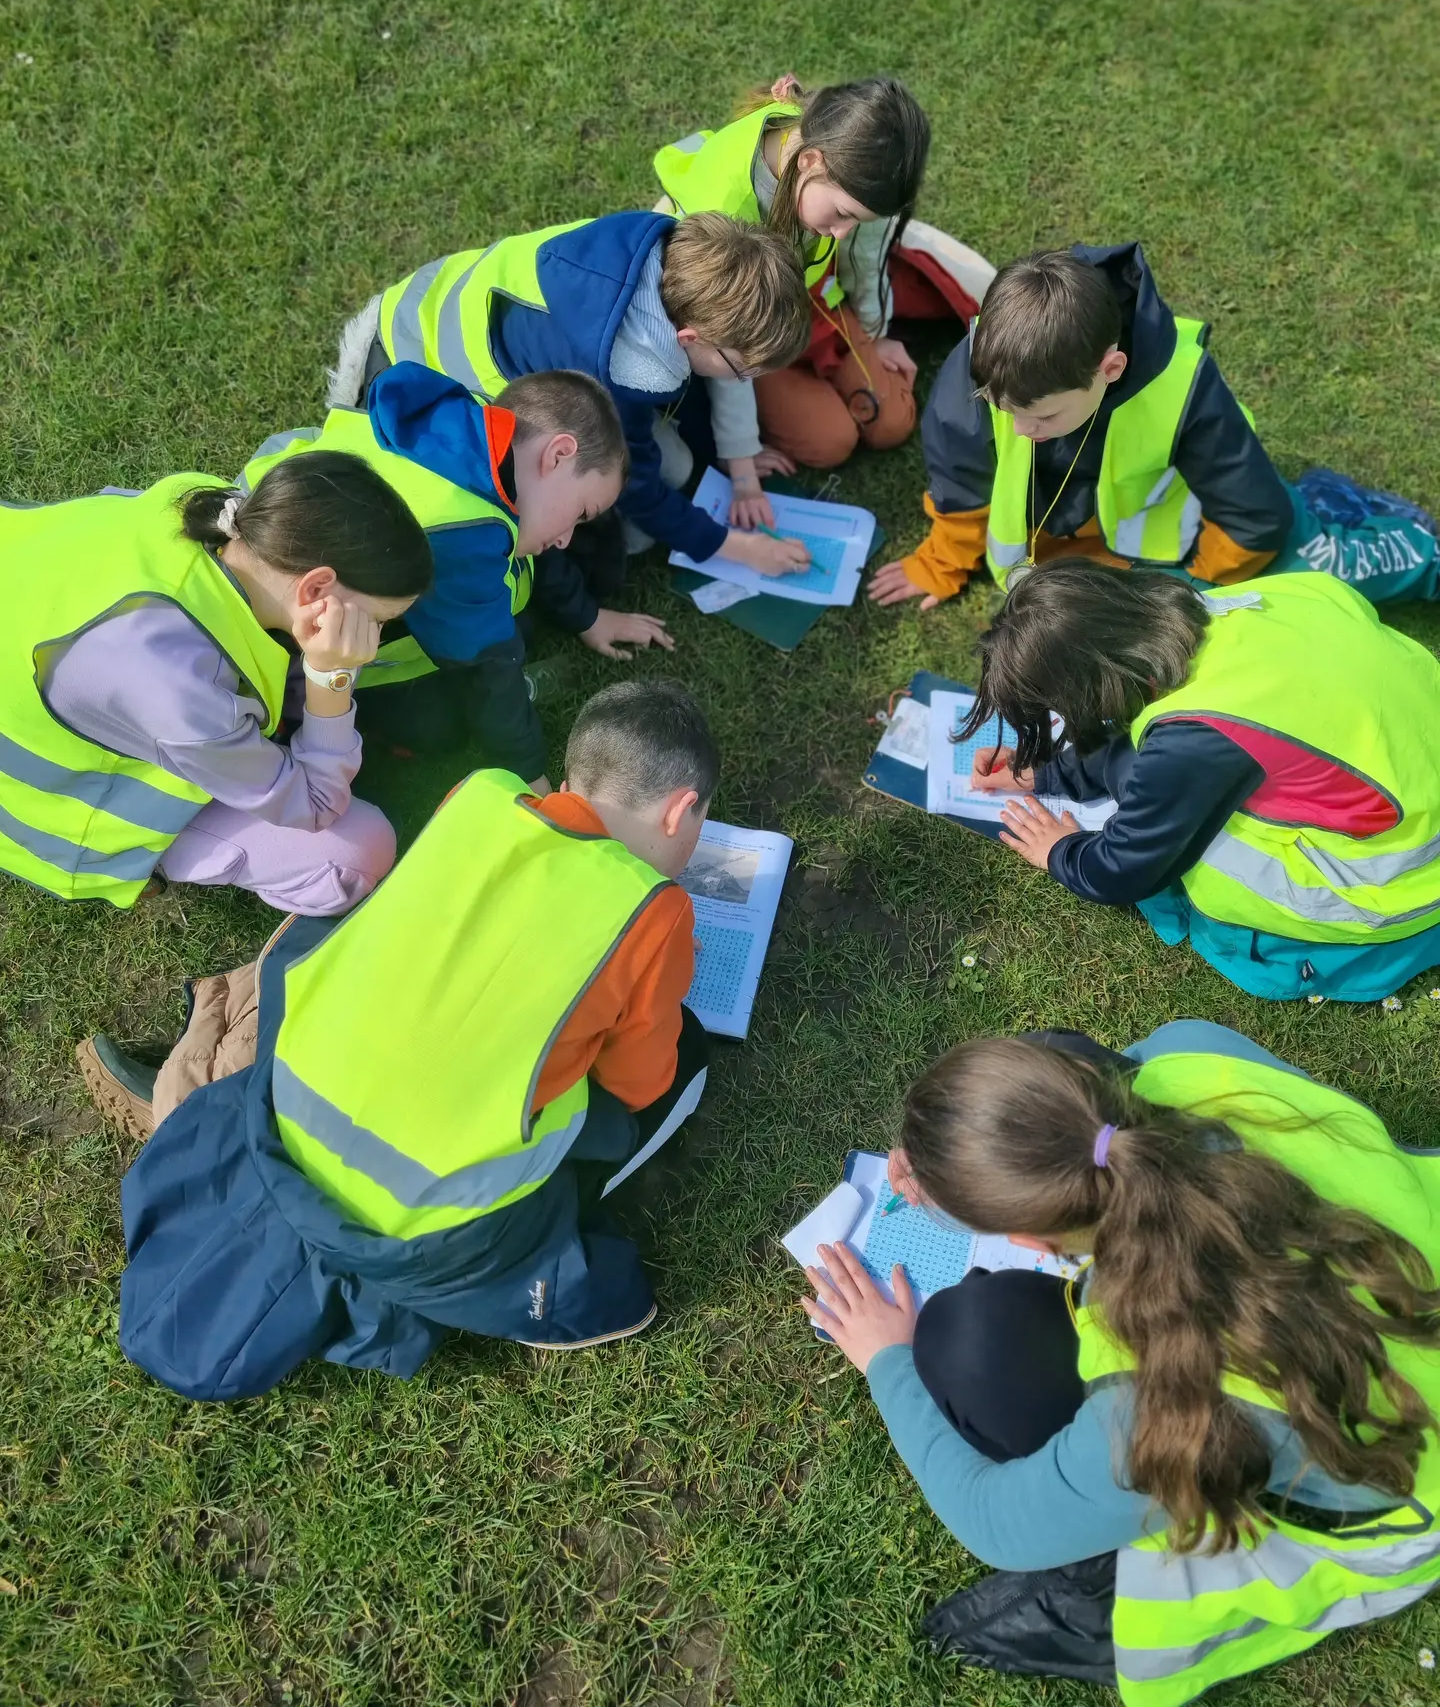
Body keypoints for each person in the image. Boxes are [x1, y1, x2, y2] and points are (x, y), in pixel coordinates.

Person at [108, 680, 718, 1400]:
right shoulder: (653, 908)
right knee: (690, 1062)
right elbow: (635, 1087)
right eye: (704, 820)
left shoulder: (482, 794)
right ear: (680, 810)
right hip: (424, 1235)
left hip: (281, 1118)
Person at [800, 1019, 1440, 1703]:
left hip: (1404, 1495)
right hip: (1410, 1287)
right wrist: (963, 1163)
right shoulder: (1191, 1053)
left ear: (1028, 1238)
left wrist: (887, 1360)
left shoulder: (1174, 1392)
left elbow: (995, 1522)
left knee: (970, 1346)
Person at [959, 559, 1440, 1000]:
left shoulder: (1197, 739)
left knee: (1200, 854)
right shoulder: (1251, 602)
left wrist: (1060, 851)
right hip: (1419, 780)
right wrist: (1043, 771)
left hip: (1399, 879)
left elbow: (1126, 867)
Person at [870, 244, 1440, 611]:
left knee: (1309, 584)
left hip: (1192, 544)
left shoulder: (1183, 386)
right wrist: (940, 566)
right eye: (1005, 409)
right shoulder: (970, 381)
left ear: (1109, 369)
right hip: (1089, 554)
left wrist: (1190, 591)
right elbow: (962, 493)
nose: (1019, 430)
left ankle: (1419, 555)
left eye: (1042, 416)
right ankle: (1322, 498)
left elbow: (1254, 522)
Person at [0, 452, 431, 915]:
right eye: (378, 620)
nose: (377, 638)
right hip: (61, 809)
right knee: (357, 852)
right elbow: (315, 803)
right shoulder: (180, 689)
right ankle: (146, 864)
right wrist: (332, 677)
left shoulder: (200, 503)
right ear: (316, 589)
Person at [329, 208, 816, 595]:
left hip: (425, 295)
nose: (744, 380)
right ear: (687, 338)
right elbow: (638, 488)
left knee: (681, 462)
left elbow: (675, 397)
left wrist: (735, 460)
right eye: (740, 371)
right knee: (639, 530)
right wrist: (735, 548)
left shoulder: (655, 256)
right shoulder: (621, 370)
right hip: (405, 368)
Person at [243, 360, 642, 785]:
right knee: (442, 725)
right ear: (558, 454)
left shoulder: (466, 427)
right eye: (581, 513)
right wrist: (530, 774)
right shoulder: (460, 536)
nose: (565, 538)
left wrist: (587, 616)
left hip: (265, 529)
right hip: (291, 658)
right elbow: (487, 674)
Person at [655, 75, 970, 491]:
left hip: (813, 303)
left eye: (856, 220)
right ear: (810, 162)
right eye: (842, 214)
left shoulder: (842, 160)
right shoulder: (724, 215)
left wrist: (876, 336)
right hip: (757, 338)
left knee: (892, 423)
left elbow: (865, 254)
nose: (841, 234)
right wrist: (742, 459)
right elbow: (729, 348)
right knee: (831, 443)